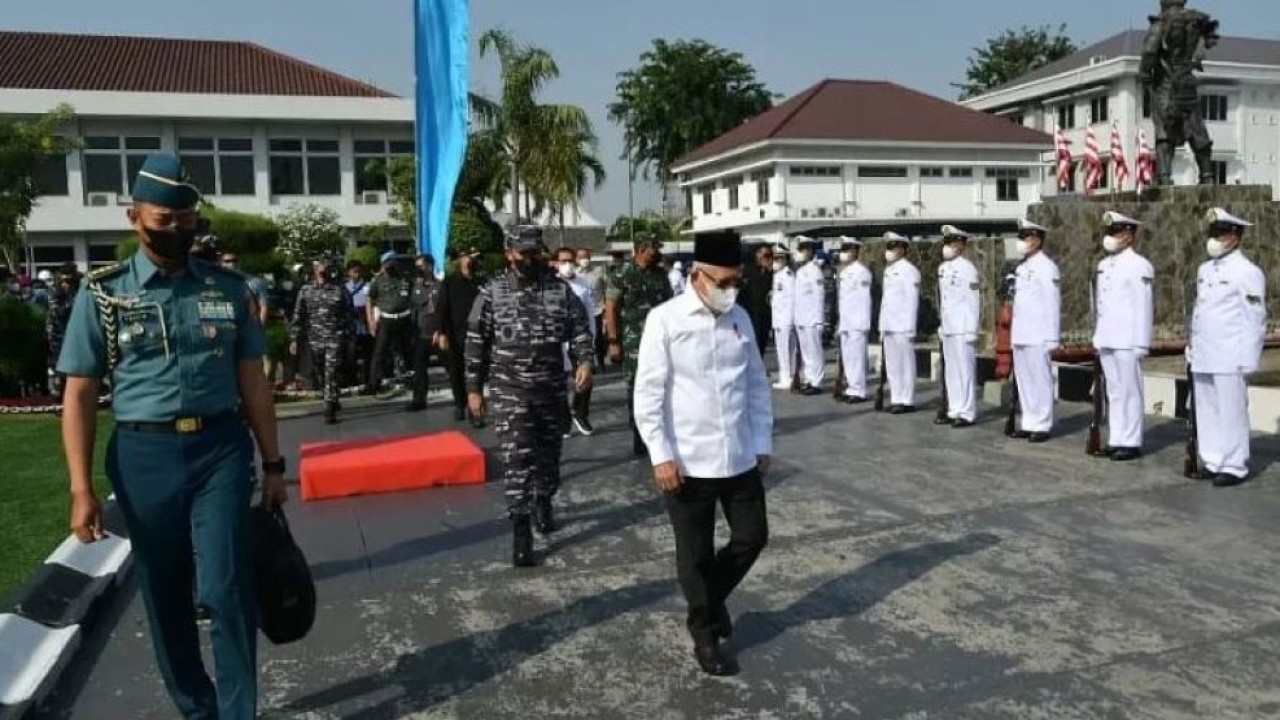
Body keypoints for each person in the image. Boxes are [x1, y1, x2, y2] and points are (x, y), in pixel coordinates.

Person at [57, 153, 286, 720]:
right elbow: (80, 394)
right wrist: (80, 488)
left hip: (220, 451)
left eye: (188, 220)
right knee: (165, 594)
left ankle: (238, 713)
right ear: (134, 217)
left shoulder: (229, 289)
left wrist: (274, 465)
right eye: (165, 220)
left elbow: (253, 383)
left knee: (225, 587)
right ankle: (196, 707)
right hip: (143, 457)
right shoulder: (103, 295)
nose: (179, 231)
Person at [634, 229, 772, 677]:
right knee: (694, 553)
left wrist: (761, 442)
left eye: (737, 282)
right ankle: (706, 632)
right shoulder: (665, 320)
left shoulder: (741, 320)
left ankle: (707, 601)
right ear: (697, 276)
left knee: (752, 537)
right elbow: (648, 394)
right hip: (687, 459)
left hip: (738, 454)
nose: (731, 290)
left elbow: (756, 385)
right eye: (724, 282)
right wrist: (660, 455)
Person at [466, 226, 594, 566]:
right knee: (518, 460)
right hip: (511, 391)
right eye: (523, 253)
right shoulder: (492, 293)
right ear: (509, 253)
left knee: (550, 456)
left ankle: (543, 499)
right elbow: (476, 344)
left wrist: (584, 361)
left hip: (551, 387)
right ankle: (520, 528)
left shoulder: (559, 290)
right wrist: (474, 390)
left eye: (535, 252)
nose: (530, 259)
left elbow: (580, 329)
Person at [1189, 207, 1266, 487]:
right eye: (1212, 233)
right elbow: (1201, 311)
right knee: (1207, 408)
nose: (1214, 238)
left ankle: (1234, 464)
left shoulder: (1247, 272)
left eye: (1219, 233)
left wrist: (1249, 357)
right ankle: (1213, 459)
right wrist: (1192, 344)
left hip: (1230, 353)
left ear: (1235, 236)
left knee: (1231, 410)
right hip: (1205, 350)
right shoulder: (1205, 269)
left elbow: (1254, 318)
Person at [1092, 211, 1155, 460]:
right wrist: (1098, 336)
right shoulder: (1104, 265)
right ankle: (1116, 437)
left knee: (1130, 390)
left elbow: (1143, 305)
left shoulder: (1139, 265)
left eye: (1116, 232)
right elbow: (1101, 304)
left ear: (1129, 235)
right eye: (1109, 232)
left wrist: (1142, 342)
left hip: (1128, 339)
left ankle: (1130, 440)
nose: (1110, 237)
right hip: (1108, 337)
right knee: (1114, 392)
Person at [604, 235, 673, 457]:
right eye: (654, 248)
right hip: (633, 341)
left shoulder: (660, 274)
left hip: (661, 341)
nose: (658, 252)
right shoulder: (623, 273)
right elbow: (611, 307)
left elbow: (670, 305)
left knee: (663, 385)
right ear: (642, 249)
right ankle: (640, 438)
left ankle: (660, 436)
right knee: (636, 388)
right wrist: (614, 342)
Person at [1009, 218, 1061, 442]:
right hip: (1021, 333)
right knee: (1025, 381)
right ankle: (1029, 420)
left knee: (1040, 379)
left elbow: (1052, 303)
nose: (1022, 241)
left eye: (1027, 237)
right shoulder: (1021, 268)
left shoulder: (1047, 267)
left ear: (1038, 240)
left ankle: (1042, 423)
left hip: (1039, 333)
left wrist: (1052, 336)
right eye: (1021, 237)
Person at [290, 257, 353, 424]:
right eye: (319, 266)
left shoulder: (339, 289)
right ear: (314, 268)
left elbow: (349, 313)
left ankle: (329, 406)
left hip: (335, 336)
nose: (322, 269)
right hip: (315, 338)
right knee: (320, 372)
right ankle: (332, 395)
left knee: (331, 371)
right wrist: (294, 339)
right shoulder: (306, 290)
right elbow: (298, 315)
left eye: (325, 265)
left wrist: (349, 336)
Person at [936, 225, 981, 427]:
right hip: (949, 327)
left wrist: (972, 328)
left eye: (953, 242)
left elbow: (972, 300)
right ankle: (954, 409)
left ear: (962, 245)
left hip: (963, 327)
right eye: (947, 242)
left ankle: (967, 411)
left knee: (965, 370)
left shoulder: (967, 268)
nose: (949, 246)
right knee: (951, 371)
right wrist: (942, 324)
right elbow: (944, 300)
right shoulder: (943, 269)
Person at [437, 246, 484, 425]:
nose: (469, 260)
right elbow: (442, 309)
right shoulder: (449, 283)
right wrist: (441, 333)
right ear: (458, 261)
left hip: (478, 335)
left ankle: (476, 409)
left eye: (471, 257)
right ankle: (459, 403)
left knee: (476, 372)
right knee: (456, 371)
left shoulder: (481, 282)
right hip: (456, 334)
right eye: (465, 257)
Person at [556, 247, 597, 435]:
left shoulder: (583, 283)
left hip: (580, 340)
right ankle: (563, 419)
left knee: (585, 379)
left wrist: (592, 337)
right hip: (558, 342)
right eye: (563, 261)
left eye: (571, 260)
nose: (568, 264)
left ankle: (580, 413)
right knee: (560, 383)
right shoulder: (550, 285)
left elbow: (589, 313)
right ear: (555, 263)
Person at [879, 231, 921, 413]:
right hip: (889, 324)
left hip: (903, 325)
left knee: (905, 364)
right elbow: (886, 301)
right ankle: (896, 397)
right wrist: (882, 325)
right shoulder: (889, 270)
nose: (890, 250)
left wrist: (910, 326)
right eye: (888, 246)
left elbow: (912, 300)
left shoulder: (909, 271)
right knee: (893, 365)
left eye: (894, 246)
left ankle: (907, 399)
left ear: (903, 249)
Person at [365, 251, 414, 395]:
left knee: (406, 352)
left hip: (404, 319)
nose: (390, 265)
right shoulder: (377, 281)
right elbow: (370, 300)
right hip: (386, 320)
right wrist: (371, 321)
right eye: (387, 263)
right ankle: (374, 383)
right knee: (379, 352)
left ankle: (410, 379)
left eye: (393, 262)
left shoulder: (405, 278)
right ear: (383, 264)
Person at [835, 238, 872, 403]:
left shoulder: (862, 272)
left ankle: (858, 390)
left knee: (857, 357)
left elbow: (864, 300)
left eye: (847, 249)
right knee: (848, 357)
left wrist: (863, 323)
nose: (844, 253)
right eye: (842, 249)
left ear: (855, 251)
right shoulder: (844, 272)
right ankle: (851, 387)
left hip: (857, 321)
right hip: (846, 321)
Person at [408, 254, 444, 412]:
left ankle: (461, 401)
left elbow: (443, 310)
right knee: (419, 368)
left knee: (452, 366)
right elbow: (414, 309)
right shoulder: (415, 286)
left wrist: (441, 330)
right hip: (421, 332)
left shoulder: (440, 286)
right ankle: (419, 400)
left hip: (437, 332)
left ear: (429, 266)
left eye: (421, 266)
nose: (419, 269)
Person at [792, 239, 826, 395]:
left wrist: (819, 319)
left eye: (802, 249)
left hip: (812, 318)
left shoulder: (815, 271)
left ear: (810, 252)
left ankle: (816, 382)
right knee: (806, 352)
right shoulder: (800, 272)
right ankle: (809, 378)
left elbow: (819, 296)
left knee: (815, 351)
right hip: (802, 318)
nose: (799, 253)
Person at [45, 262, 81, 401]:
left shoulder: (80, 288)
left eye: (70, 280)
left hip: (76, 330)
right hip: (58, 332)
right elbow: (56, 312)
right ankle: (59, 395)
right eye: (65, 280)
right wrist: (72, 303)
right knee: (59, 365)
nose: (67, 283)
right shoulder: (55, 290)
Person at [575, 247, 608, 369]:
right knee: (583, 337)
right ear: (576, 259)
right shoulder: (575, 273)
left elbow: (606, 288)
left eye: (587, 257)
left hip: (597, 310)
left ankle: (601, 362)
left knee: (598, 337)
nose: (585, 259)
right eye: (581, 257)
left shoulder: (598, 271)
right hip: (581, 311)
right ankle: (587, 363)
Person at [770, 246, 798, 390]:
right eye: (774, 258)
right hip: (779, 319)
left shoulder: (788, 276)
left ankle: (787, 377)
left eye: (778, 258)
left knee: (786, 350)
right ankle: (787, 376)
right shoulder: (778, 276)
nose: (775, 261)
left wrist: (791, 320)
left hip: (786, 319)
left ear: (785, 259)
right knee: (782, 350)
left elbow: (793, 299)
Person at [741, 244, 775, 358]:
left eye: (770, 256)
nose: (768, 259)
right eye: (765, 255)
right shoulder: (748, 270)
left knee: (762, 341)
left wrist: (771, 272)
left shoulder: (772, 274)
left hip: (765, 312)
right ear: (757, 255)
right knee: (752, 341)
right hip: (751, 312)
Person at [219, 252, 269, 326]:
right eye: (227, 261)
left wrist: (259, 328)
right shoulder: (216, 283)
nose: (232, 264)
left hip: (247, 325)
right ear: (221, 263)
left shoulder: (255, 282)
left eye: (235, 260)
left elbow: (263, 306)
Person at [344, 260, 372, 389]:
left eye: (359, 271)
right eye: (354, 271)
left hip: (364, 322)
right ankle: (352, 380)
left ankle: (367, 379)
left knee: (367, 353)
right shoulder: (344, 288)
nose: (357, 274)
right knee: (351, 354)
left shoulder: (368, 286)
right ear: (349, 272)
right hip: (351, 324)